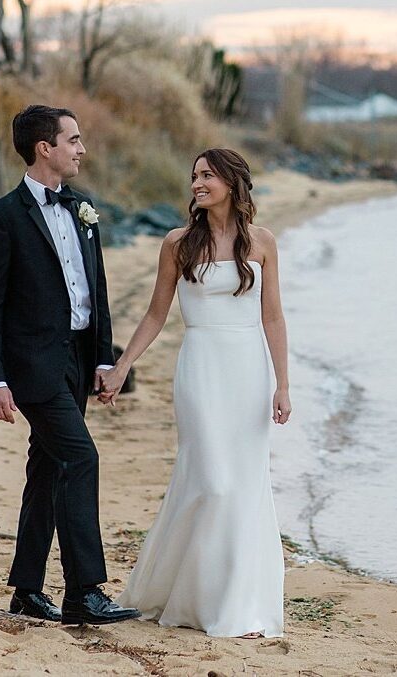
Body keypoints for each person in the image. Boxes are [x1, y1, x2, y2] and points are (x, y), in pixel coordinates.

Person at [97, 148, 291, 638]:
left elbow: (272, 317)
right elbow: (157, 315)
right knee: (212, 482)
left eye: (206, 175)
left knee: (244, 486)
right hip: (201, 367)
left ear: (231, 181)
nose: (197, 183)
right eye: (194, 176)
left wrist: (283, 384)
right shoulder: (178, 243)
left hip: (248, 371)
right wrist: (122, 366)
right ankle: (187, 593)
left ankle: (233, 605)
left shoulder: (263, 243)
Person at [0, 104, 140, 626]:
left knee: (46, 469)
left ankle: (26, 589)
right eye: (74, 140)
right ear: (45, 148)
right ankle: (84, 591)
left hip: (77, 359)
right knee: (80, 459)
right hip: (32, 366)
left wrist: (106, 361)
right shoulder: (1, 218)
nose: (81, 149)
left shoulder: (82, 208)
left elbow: (98, 291)